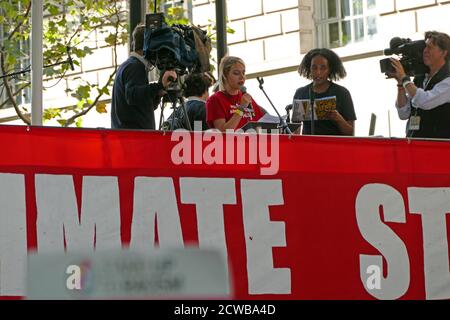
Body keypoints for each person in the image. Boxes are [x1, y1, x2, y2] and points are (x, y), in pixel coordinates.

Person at [111, 23, 177, 130]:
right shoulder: (134, 67)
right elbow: (132, 96)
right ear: (150, 46)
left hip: (129, 137)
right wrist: (158, 86)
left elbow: (142, 105)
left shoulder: (130, 65)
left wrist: (158, 93)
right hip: (134, 140)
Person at [391, 31, 450, 138]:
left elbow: (425, 101)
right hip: (415, 144)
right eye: (425, 47)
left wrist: (404, 79)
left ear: (443, 52)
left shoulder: (448, 79)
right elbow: (403, 113)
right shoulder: (421, 78)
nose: (425, 51)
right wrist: (400, 85)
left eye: (430, 47)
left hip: (438, 147)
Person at [293, 48, 356, 136]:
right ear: (309, 68)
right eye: (314, 67)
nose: (318, 72)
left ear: (330, 69)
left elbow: (351, 133)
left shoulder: (342, 93)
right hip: (308, 146)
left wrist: (338, 118)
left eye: (323, 68)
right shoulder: (300, 93)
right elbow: (295, 131)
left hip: (334, 146)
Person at [206, 56, 265, 131]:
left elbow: (261, 126)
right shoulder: (215, 100)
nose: (242, 77)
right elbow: (223, 132)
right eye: (236, 73)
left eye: (243, 73)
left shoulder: (246, 98)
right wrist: (241, 108)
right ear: (225, 75)